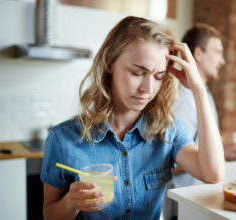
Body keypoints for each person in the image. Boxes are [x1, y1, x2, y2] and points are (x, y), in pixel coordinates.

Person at [40, 16, 225, 220]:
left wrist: (198, 89)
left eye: (158, 77)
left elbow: (212, 174)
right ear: (110, 63)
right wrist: (70, 203)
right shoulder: (62, 138)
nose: (148, 89)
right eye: (138, 72)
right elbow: (50, 214)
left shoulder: (168, 131)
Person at [163, 23, 236, 220]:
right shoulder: (185, 101)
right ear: (198, 54)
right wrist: (221, 153)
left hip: (197, 203)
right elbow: (166, 162)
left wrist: (219, 150)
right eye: (218, 52)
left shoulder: (202, 94)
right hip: (183, 208)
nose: (222, 61)